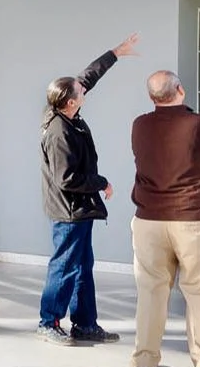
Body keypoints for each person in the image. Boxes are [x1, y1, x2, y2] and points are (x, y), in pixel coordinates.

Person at [129, 71, 200, 367]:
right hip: (192, 220)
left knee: (150, 292)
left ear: (152, 97)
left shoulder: (140, 124)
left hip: (148, 219)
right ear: (181, 89)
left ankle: (144, 359)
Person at [38, 34, 138, 345]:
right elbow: (67, 178)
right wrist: (102, 182)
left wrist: (115, 54)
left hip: (79, 209)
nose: (84, 91)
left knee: (82, 266)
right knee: (66, 265)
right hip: (69, 210)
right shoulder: (59, 132)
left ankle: (84, 324)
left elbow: (86, 77)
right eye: (80, 92)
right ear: (70, 102)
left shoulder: (65, 110)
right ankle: (48, 322)